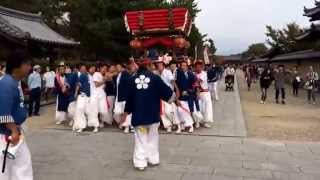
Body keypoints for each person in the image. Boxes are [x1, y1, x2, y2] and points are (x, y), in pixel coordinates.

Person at [122, 58, 174, 171]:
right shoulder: (155, 78)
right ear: (149, 66)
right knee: (153, 138)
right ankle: (153, 159)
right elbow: (169, 94)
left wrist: (126, 113)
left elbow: (129, 100)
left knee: (141, 139)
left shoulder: (132, 80)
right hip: (152, 116)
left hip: (139, 117)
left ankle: (141, 162)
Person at [0, 50, 33, 180]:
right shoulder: (6, 83)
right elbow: (3, 112)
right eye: (27, 64)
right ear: (17, 65)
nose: (29, 68)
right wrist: (13, 130)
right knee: (7, 171)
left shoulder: (14, 82)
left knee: (20, 168)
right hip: (6, 134)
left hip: (14, 132)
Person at [156, 60, 181, 133]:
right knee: (162, 112)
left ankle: (177, 125)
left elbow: (173, 82)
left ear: (163, 66)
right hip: (161, 95)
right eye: (158, 65)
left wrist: (177, 91)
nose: (159, 66)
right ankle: (168, 126)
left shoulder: (167, 72)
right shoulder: (157, 74)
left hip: (169, 95)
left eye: (160, 65)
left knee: (169, 111)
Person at [175, 61, 198, 133]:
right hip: (181, 96)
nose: (183, 67)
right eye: (182, 65)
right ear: (180, 67)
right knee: (179, 110)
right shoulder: (178, 75)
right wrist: (177, 98)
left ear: (187, 67)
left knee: (188, 111)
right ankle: (183, 125)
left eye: (185, 65)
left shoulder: (191, 74)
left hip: (189, 96)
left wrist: (188, 91)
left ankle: (190, 125)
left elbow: (195, 85)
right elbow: (176, 88)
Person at [89, 65, 109, 132]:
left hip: (101, 95)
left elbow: (103, 86)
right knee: (94, 111)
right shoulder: (96, 74)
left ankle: (99, 123)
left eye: (106, 69)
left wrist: (105, 79)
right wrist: (104, 80)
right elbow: (96, 85)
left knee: (101, 110)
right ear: (100, 68)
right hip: (95, 95)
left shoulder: (103, 76)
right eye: (103, 68)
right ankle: (95, 126)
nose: (104, 70)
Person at [194, 61, 213, 128]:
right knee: (198, 108)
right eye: (197, 67)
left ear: (202, 67)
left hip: (205, 93)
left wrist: (194, 82)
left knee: (206, 108)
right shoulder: (193, 74)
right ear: (195, 67)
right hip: (197, 93)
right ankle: (197, 122)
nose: (198, 68)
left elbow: (198, 81)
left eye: (200, 67)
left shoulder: (204, 73)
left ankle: (205, 122)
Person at [114, 64, 132, 133]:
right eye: (116, 67)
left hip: (125, 96)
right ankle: (123, 124)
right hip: (119, 96)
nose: (117, 68)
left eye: (118, 67)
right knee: (120, 112)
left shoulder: (125, 73)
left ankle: (127, 126)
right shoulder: (119, 75)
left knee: (125, 112)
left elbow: (128, 84)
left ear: (122, 68)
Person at [73, 65, 90, 133]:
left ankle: (80, 125)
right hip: (82, 95)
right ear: (80, 70)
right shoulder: (82, 75)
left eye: (84, 68)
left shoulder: (88, 75)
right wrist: (76, 92)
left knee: (83, 111)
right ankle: (80, 126)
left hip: (88, 96)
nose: (83, 69)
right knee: (80, 110)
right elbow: (78, 84)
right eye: (82, 69)